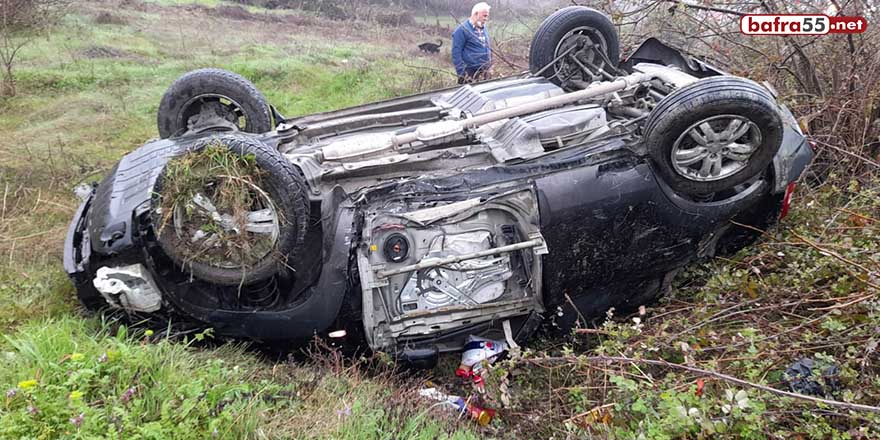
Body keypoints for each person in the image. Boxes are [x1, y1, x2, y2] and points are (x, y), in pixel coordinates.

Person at [452, 3, 492, 84]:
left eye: (487, 16)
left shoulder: (483, 29)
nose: (486, 18)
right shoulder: (462, 30)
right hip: (469, 73)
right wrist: (462, 74)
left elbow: (487, 49)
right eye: (484, 16)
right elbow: (456, 53)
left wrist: (489, 67)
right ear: (476, 14)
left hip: (483, 72)